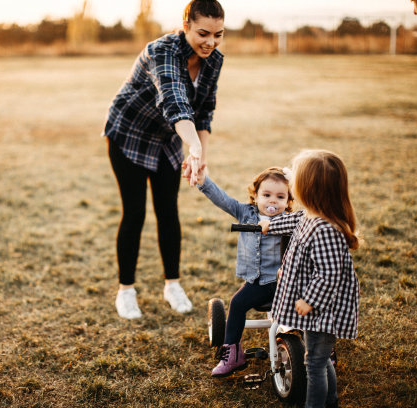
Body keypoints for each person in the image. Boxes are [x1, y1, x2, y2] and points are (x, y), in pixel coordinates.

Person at [103, 0, 225, 319]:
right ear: (185, 26)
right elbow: (174, 101)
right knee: (134, 213)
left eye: (218, 34)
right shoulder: (163, 52)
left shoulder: (213, 61)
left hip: (168, 140)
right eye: (203, 33)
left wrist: (201, 155)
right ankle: (126, 291)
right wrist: (194, 146)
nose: (210, 42)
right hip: (128, 134)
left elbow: (205, 111)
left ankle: (172, 285)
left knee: (168, 211)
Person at [259, 150, 360, 408]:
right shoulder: (312, 214)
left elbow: (329, 274)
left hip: (322, 310)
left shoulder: (325, 229)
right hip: (316, 310)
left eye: (296, 182)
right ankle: (331, 401)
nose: (291, 185)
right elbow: (293, 220)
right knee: (320, 358)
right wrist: (272, 224)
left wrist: (309, 300)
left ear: (308, 189)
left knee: (314, 364)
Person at [193, 166, 293, 377]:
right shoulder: (245, 213)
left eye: (280, 196)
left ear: (288, 200)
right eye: (266, 195)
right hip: (257, 282)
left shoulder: (291, 219)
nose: (272, 201)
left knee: (238, 303)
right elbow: (223, 199)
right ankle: (233, 353)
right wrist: (204, 181)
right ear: (255, 196)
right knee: (238, 303)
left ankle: (319, 345)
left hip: (281, 281)